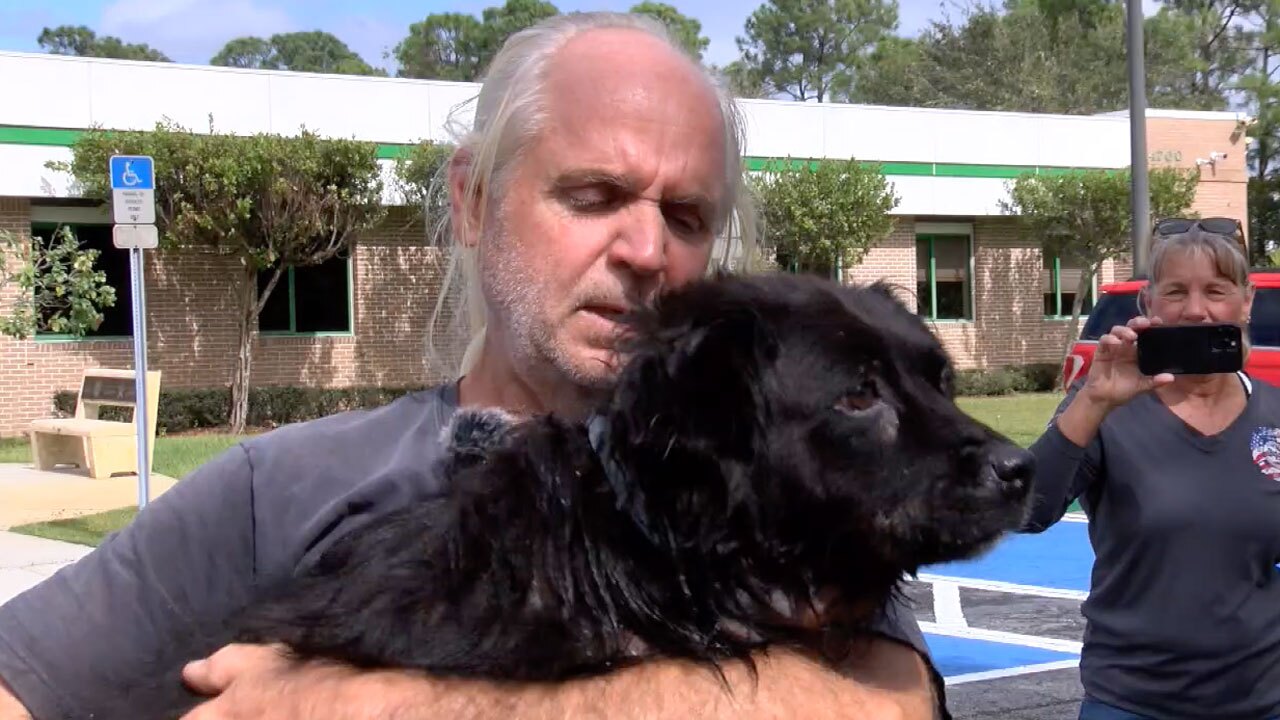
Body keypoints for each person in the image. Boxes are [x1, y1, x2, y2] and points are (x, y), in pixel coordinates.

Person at [0, 12, 943, 720]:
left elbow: (888, 703)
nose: (648, 251)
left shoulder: (777, 485)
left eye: (687, 217)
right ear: (472, 200)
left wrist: (362, 704)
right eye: (595, 194)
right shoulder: (282, 492)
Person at [1022, 223, 1280, 719]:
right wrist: (1093, 400)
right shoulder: (1106, 408)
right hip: (1132, 701)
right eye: (1177, 291)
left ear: (1246, 302)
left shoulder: (1273, 413)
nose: (1197, 309)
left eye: (1216, 291)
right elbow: (1027, 510)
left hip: (1261, 699)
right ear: (1149, 304)